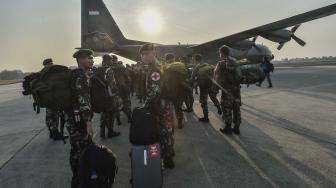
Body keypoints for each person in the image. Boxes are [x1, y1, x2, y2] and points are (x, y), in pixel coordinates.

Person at [140, 43, 175, 168]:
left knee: (163, 131)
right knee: (167, 130)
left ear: (154, 53)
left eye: (147, 54)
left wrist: (145, 107)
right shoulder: (156, 66)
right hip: (164, 105)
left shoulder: (155, 69)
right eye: (142, 55)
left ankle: (168, 159)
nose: (144, 57)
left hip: (160, 106)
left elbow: (155, 91)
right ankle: (169, 155)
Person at [64, 49, 94, 188]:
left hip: (72, 118)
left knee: (76, 147)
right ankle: (78, 179)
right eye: (89, 58)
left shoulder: (75, 74)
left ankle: (78, 178)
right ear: (81, 59)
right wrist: (88, 122)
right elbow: (84, 100)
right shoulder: (81, 76)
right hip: (78, 119)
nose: (91, 60)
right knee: (80, 149)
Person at [214, 45, 242, 135]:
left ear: (221, 53)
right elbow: (239, 75)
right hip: (236, 89)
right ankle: (237, 128)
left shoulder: (221, 63)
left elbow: (216, 77)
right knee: (236, 108)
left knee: (227, 108)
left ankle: (228, 128)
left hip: (227, 90)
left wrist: (215, 89)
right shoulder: (235, 61)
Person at [191, 54, 222, 122]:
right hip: (211, 85)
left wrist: (193, 83)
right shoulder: (208, 65)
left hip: (203, 87)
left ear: (195, 60)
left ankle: (206, 117)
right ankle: (219, 108)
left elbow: (192, 78)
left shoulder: (197, 67)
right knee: (213, 98)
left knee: (203, 102)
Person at [42, 58, 65, 140]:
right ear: (46, 64)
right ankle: (55, 133)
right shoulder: (49, 73)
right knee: (54, 116)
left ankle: (52, 133)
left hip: (48, 99)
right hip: (52, 98)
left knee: (50, 116)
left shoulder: (42, 73)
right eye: (50, 63)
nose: (51, 64)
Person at [100, 54, 121, 139]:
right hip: (109, 96)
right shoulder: (109, 70)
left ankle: (102, 133)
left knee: (104, 114)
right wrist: (116, 94)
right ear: (108, 60)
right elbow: (111, 84)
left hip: (101, 95)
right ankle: (110, 132)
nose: (112, 61)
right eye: (111, 60)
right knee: (111, 114)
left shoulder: (99, 69)